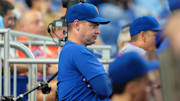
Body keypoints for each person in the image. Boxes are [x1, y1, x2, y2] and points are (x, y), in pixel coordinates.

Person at [57, 3, 112, 101]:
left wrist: (104, 79)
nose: (98, 31)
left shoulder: (71, 49)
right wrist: (106, 80)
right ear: (77, 25)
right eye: (93, 26)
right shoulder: (78, 50)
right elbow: (105, 89)